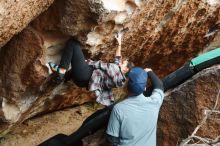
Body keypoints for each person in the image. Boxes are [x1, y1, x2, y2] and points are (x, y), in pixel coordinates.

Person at [48, 31, 134, 106]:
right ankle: (62, 77)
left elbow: (99, 64)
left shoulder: (115, 69)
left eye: (123, 64)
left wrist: (88, 61)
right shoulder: (119, 79)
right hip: (82, 83)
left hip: (84, 74)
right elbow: (117, 59)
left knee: (73, 43)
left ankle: (62, 70)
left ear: (126, 69)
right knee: (76, 63)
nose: (121, 63)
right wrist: (119, 44)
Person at [106, 67, 164, 146]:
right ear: (144, 88)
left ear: (126, 87)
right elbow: (159, 86)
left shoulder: (118, 109)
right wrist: (150, 72)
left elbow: (112, 141)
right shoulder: (154, 103)